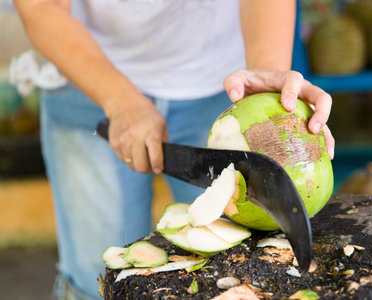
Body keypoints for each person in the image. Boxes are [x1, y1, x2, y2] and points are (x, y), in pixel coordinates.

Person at [14, 0, 334, 299]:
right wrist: (118, 98)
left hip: (225, 87)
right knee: (92, 283)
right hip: (84, 74)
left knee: (238, 280)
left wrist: (266, 82)